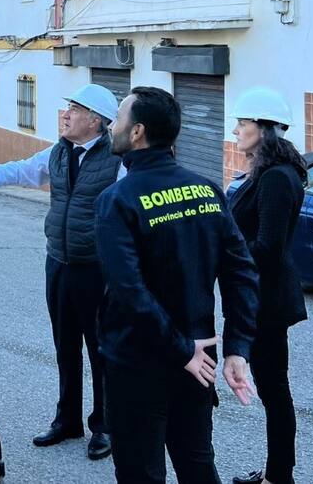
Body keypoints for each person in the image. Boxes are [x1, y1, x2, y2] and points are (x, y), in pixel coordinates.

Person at [94, 86, 260, 484]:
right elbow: (242, 273)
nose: (110, 126)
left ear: (137, 133)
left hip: (141, 363)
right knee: (198, 467)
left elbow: (129, 290)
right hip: (195, 362)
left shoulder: (117, 199)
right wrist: (237, 348)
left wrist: (184, 349)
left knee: (141, 474)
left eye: (117, 118)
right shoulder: (207, 190)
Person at [0, 84, 121, 460]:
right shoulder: (60, 152)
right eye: (68, 106)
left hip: (96, 268)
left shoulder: (119, 159)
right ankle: (67, 419)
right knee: (65, 345)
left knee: (100, 349)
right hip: (60, 262)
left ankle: (106, 426)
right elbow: (29, 170)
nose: (65, 114)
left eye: (74, 108)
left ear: (96, 120)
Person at [227, 88, 308, 484]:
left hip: (267, 301)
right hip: (261, 296)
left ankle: (279, 477)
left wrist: (225, 253)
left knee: (275, 392)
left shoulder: (277, 178)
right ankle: (278, 474)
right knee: (275, 390)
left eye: (242, 123)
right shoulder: (266, 173)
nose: (236, 130)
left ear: (264, 128)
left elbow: (269, 248)